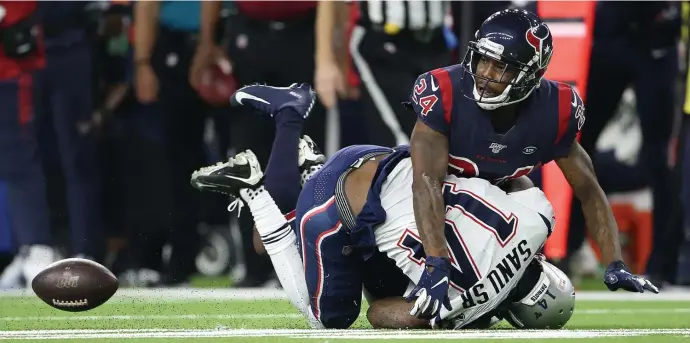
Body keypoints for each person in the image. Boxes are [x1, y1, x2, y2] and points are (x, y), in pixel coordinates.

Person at [190, 83, 577, 330]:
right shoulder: (461, 305)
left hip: (385, 161)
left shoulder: (539, 215)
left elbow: (511, 179)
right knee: (325, 317)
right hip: (338, 205)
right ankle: (261, 178)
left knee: (290, 243)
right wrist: (460, 317)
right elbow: (378, 315)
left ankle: (307, 163)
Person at [403, 8, 659, 320]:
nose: (485, 74)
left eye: (502, 67)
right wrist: (436, 263)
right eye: (483, 59)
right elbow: (425, 182)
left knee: (533, 203)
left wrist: (615, 262)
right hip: (426, 205)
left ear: (532, 75)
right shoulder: (443, 90)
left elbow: (588, 190)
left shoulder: (556, 110)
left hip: (486, 212)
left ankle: (499, 294)